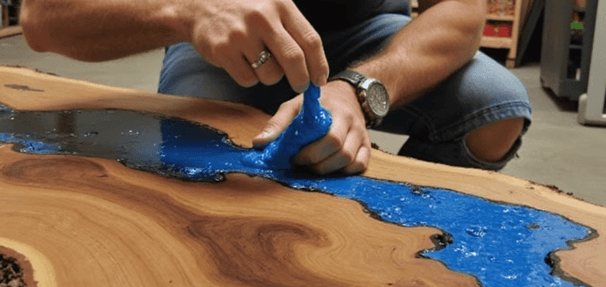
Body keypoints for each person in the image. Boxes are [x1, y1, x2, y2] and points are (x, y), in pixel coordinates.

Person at [19, 0, 531, 175]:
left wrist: (359, 87)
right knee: (203, 156)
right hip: (219, 36)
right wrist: (187, 10)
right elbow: (44, 19)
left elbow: (464, 9)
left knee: (495, 108)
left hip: (372, 35)